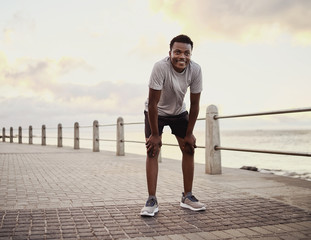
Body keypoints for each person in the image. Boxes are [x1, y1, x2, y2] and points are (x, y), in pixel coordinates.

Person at [140, 34, 206, 217]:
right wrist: (154, 134)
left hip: (178, 112)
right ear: (170, 52)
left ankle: (187, 197)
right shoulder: (160, 67)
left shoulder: (196, 70)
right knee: (152, 150)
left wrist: (190, 133)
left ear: (191, 54)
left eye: (186, 53)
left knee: (189, 148)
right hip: (156, 112)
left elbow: (195, 105)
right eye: (177, 52)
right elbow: (153, 103)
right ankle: (151, 199)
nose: (182, 57)